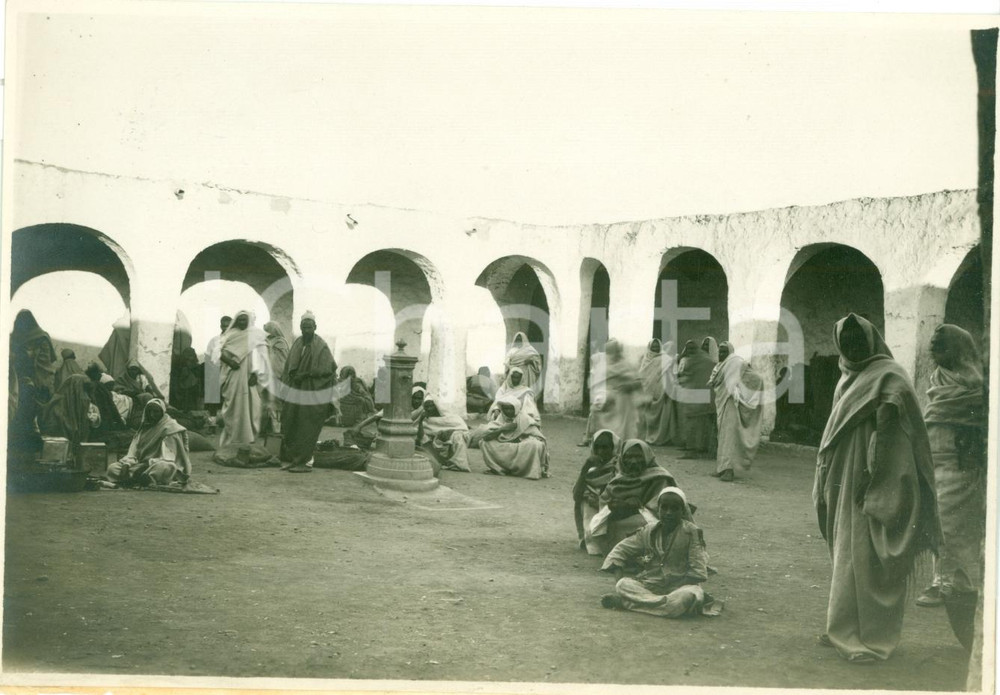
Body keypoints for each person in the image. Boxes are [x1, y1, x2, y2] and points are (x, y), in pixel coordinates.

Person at [813, 313, 939, 664]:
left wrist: (875, 478)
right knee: (845, 553)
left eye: (858, 339)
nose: (853, 346)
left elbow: (894, 432)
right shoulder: (846, 377)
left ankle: (872, 639)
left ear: (872, 339)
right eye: (846, 340)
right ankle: (841, 627)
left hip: (875, 481)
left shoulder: (890, 376)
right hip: (842, 477)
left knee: (870, 557)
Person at [913, 325, 985, 648]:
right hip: (935, 464)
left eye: (940, 345)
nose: (933, 348)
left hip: (961, 469)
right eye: (932, 345)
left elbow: (976, 432)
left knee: (957, 532)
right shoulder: (936, 380)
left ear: (956, 350)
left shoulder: (975, 387)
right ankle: (941, 580)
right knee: (938, 525)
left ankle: (954, 584)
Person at [599, 486, 718, 618]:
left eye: (674, 509)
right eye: (664, 508)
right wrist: (618, 577)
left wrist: (672, 584)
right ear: (658, 509)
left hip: (680, 587)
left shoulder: (692, 532)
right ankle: (661, 606)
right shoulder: (648, 530)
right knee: (623, 585)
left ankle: (627, 604)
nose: (668, 513)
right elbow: (619, 551)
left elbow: (698, 573)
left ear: (683, 511)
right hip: (650, 585)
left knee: (685, 598)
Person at [589, 439, 678, 556]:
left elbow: (662, 509)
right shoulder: (618, 480)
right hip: (622, 519)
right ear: (622, 458)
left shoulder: (660, 478)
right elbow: (605, 503)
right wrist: (616, 505)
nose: (633, 461)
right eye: (628, 457)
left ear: (647, 457)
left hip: (649, 521)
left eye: (638, 457)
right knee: (604, 524)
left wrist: (637, 507)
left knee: (639, 524)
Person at [279, 311, 337, 473]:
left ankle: (303, 462)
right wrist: (292, 376)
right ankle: (294, 459)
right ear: (300, 327)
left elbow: (329, 369)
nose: (306, 330)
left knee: (307, 427)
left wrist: (306, 374)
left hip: (313, 392)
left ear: (315, 327)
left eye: (309, 327)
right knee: (291, 423)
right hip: (295, 392)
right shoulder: (298, 343)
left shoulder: (321, 345)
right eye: (304, 327)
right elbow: (289, 365)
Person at [106, 398, 192, 487]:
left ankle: (140, 477)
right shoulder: (144, 428)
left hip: (158, 464)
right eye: (149, 411)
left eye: (156, 412)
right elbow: (134, 451)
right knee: (112, 468)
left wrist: (147, 464)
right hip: (140, 465)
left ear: (162, 412)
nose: (152, 415)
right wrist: (127, 464)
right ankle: (143, 478)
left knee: (166, 466)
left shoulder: (170, 428)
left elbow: (169, 456)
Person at [709, 342, 763, 482]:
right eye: (719, 352)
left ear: (730, 352)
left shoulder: (736, 362)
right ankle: (722, 468)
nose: (721, 354)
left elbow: (757, 379)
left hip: (732, 404)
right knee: (723, 436)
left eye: (724, 352)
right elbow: (715, 382)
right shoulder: (720, 366)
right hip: (723, 403)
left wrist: (739, 390)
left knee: (730, 437)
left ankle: (729, 471)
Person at [216, 310, 268, 448]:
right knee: (233, 405)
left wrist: (256, 374)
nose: (242, 322)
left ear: (249, 320)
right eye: (239, 320)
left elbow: (262, 356)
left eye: (244, 320)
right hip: (233, 373)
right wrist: (229, 361)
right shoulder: (230, 334)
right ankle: (231, 440)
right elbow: (217, 351)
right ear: (236, 321)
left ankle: (248, 439)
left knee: (252, 406)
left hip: (250, 375)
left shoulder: (256, 335)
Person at [573, 429, 621, 554]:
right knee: (585, 500)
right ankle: (591, 541)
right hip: (595, 505)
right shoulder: (591, 468)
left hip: (613, 506)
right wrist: (586, 467)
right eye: (597, 447)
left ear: (614, 447)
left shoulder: (620, 466)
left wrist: (601, 501)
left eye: (605, 447)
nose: (601, 452)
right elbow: (576, 496)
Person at [480, 395, 549, 479]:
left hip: (521, 445)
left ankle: (527, 470)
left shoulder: (525, 419)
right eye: (506, 409)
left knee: (535, 445)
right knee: (485, 443)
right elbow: (486, 437)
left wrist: (520, 438)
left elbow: (539, 438)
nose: (508, 411)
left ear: (516, 408)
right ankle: (499, 469)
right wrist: (502, 429)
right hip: (505, 444)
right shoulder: (501, 418)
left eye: (511, 408)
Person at [587, 339, 642, 442]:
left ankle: (621, 448)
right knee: (606, 428)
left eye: (615, 350)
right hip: (607, 402)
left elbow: (638, 382)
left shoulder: (626, 365)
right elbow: (594, 383)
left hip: (623, 404)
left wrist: (628, 386)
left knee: (622, 430)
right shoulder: (602, 366)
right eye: (611, 351)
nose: (614, 354)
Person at [676, 339, 717, 459]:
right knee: (692, 424)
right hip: (692, 396)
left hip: (701, 396)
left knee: (700, 425)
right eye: (688, 349)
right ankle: (693, 449)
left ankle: (694, 450)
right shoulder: (689, 360)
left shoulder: (706, 361)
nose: (691, 351)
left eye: (693, 348)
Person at [638, 339, 681, 446]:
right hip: (646, 391)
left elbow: (670, 375)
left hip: (662, 392)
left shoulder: (665, 359)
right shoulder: (645, 358)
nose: (656, 348)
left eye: (657, 346)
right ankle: (647, 436)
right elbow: (642, 374)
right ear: (649, 347)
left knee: (662, 416)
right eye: (653, 346)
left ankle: (661, 438)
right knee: (646, 416)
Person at [415, 397, 472, 473]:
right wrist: (420, 421)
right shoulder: (425, 420)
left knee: (457, 436)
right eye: (426, 407)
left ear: (437, 406)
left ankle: (458, 464)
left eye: (431, 406)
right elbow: (421, 437)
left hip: (450, 443)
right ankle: (440, 461)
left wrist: (450, 432)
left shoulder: (450, 417)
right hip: (435, 447)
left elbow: (465, 432)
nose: (429, 409)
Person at [38, 373, 96, 447]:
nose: (87, 397)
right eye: (84, 390)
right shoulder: (56, 409)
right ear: (74, 390)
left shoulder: (84, 406)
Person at [261, 321, 291, 435]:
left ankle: (277, 429)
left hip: (278, 376)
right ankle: (265, 429)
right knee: (266, 402)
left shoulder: (281, 342)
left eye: (269, 330)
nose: (267, 333)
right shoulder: (266, 342)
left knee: (276, 404)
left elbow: (283, 360)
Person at [203, 315, 232, 416]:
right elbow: (208, 356)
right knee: (213, 400)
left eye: (228, 326)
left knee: (230, 399)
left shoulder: (235, 341)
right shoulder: (214, 340)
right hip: (216, 371)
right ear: (220, 326)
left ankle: (228, 424)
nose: (226, 329)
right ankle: (212, 423)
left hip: (230, 372)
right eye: (223, 326)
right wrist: (213, 370)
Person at [170, 347, 204, 412]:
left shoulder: (197, 368)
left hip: (193, 391)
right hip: (183, 392)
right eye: (188, 360)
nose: (189, 362)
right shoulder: (181, 369)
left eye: (191, 360)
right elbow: (179, 382)